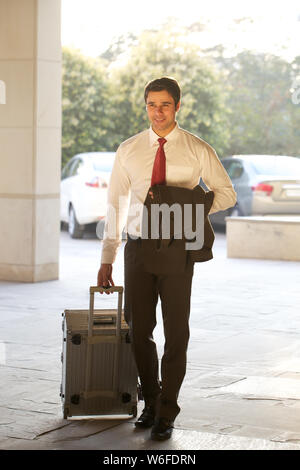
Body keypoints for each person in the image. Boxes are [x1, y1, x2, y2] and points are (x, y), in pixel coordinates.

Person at [97, 77, 237, 441]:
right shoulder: (128, 150)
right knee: (138, 331)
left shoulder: (196, 149)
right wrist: (107, 256)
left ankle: (168, 410)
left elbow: (225, 193)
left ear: (178, 106)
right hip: (138, 248)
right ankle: (151, 401)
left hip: (178, 250)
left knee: (177, 333)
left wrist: (190, 211)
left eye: (165, 105)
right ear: (145, 106)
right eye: (151, 104)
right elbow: (115, 204)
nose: (157, 112)